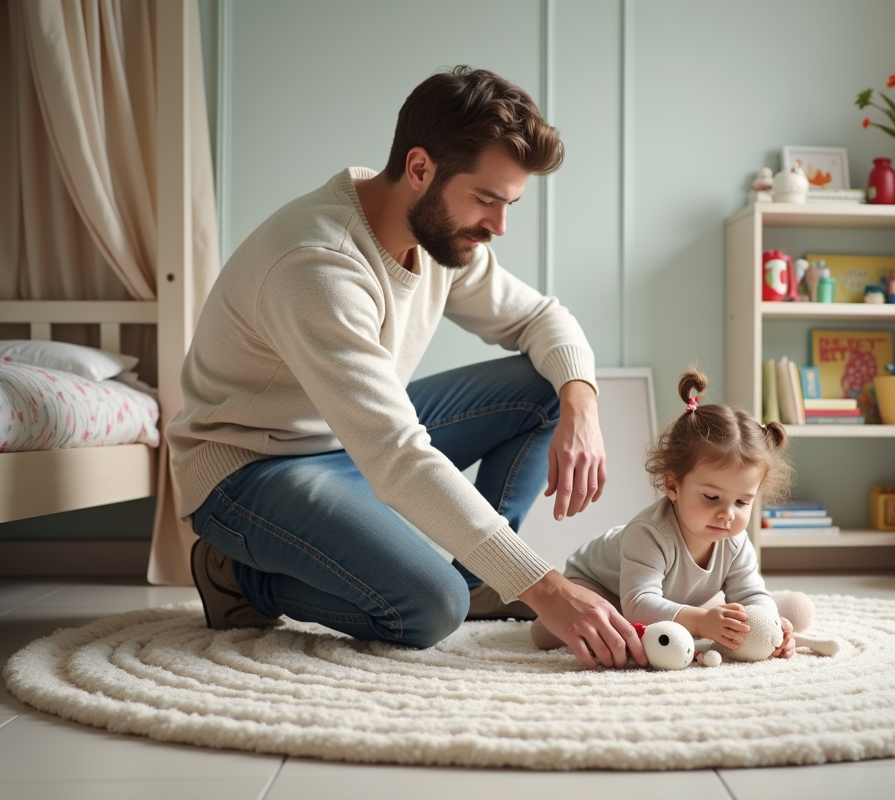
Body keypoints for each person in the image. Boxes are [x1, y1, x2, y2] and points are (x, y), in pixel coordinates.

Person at [166, 65, 646, 670]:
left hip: (352, 438)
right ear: (420, 169)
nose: (498, 226)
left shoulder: (442, 234)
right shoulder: (318, 264)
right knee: (427, 608)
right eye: (487, 199)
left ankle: (483, 580)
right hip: (254, 468)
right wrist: (547, 588)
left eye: (510, 203)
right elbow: (396, 455)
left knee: (545, 388)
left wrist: (583, 404)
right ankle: (239, 575)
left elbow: (541, 318)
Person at [530, 370, 798, 659]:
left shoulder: (735, 542)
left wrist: (770, 625)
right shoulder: (648, 534)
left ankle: (761, 609)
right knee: (545, 635)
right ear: (673, 485)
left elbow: (749, 594)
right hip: (601, 587)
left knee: (778, 610)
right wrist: (700, 622)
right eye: (712, 497)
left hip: (671, 597)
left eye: (743, 502)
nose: (727, 514)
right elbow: (637, 603)